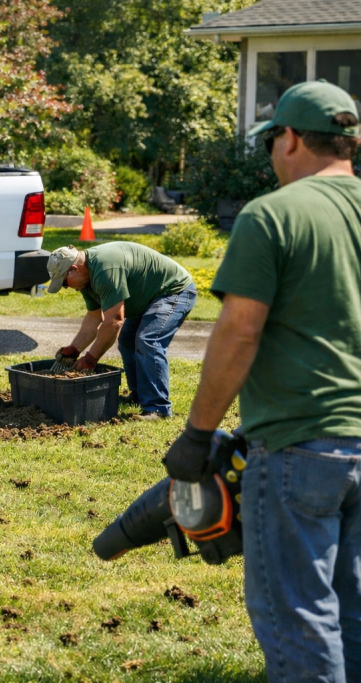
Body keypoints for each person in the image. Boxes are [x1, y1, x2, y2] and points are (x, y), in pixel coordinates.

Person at [163, 81, 361, 681]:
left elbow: (239, 332)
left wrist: (198, 435)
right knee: (352, 612)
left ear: (291, 138)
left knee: (300, 616)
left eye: (272, 139)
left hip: (300, 443)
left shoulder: (274, 214)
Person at [45, 241, 197, 420]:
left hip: (173, 290)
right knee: (127, 341)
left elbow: (114, 322)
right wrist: (75, 349)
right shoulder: (86, 281)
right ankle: (139, 395)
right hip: (148, 297)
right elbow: (94, 318)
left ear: (74, 269)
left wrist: (90, 359)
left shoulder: (105, 269)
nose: (67, 287)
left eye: (64, 283)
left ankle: (158, 408)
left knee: (149, 340)